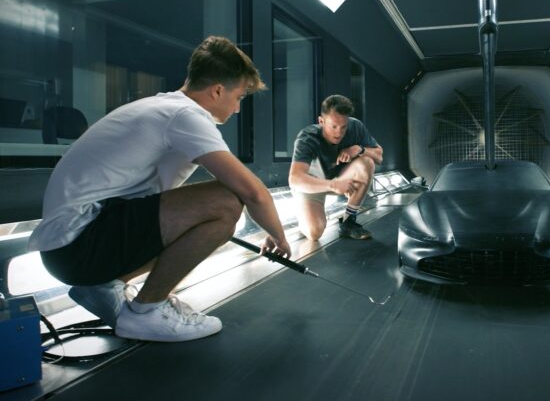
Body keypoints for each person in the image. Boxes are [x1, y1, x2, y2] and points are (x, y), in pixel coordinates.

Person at [28, 36, 291, 342]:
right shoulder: (186, 116)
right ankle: (147, 311)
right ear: (218, 90)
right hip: (77, 247)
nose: (237, 109)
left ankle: (101, 287)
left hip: (71, 246)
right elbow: (252, 192)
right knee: (226, 202)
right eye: (239, 98)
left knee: (212, 211)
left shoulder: (164, 107)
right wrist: (278, 237)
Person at [288, 94, 383, 241]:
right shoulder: (307, 137)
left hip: (342, 181)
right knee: (314, 233)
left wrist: (359, 149)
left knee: (367, 163)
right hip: (314, 184)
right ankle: (305, 213)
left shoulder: (355, 126)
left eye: (343, 127)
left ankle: (348, 222)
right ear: (321, 121)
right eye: (333, 126)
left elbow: (379, 156)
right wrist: (332, 185)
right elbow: (295, 179)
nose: (339, 132)